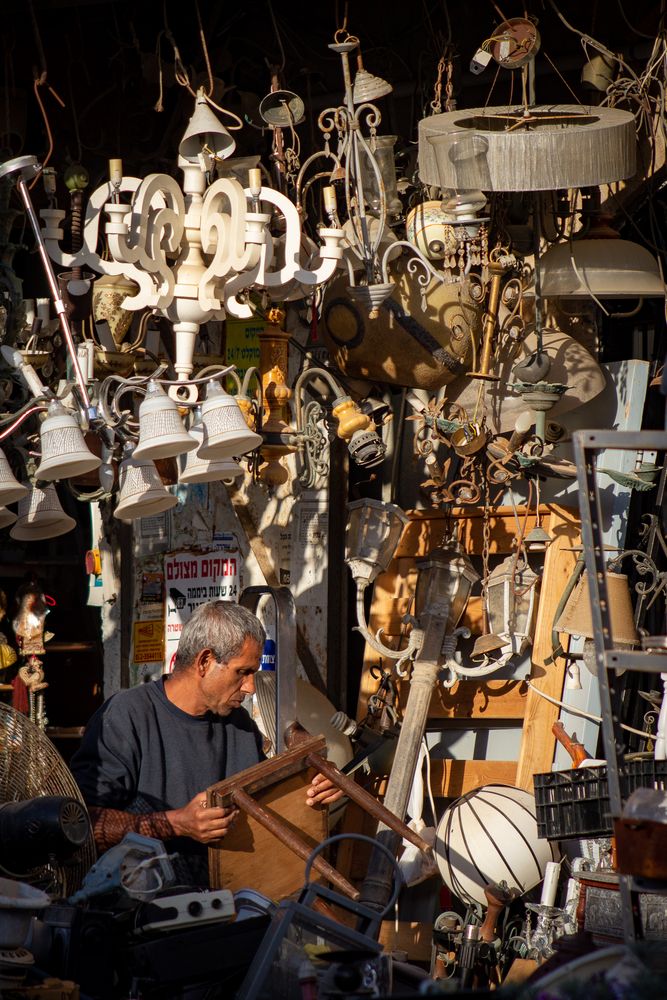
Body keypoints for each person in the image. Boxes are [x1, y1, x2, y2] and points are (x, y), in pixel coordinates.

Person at [71, 600, 341, 885]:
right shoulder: (127, 716)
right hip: (147, 910)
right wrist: (176, 824)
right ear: (205, 662)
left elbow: (265, 805)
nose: (250, 687)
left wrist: (314, 784)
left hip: (231, 905)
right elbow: (81, 823)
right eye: (242, 672)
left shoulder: (239, 725)